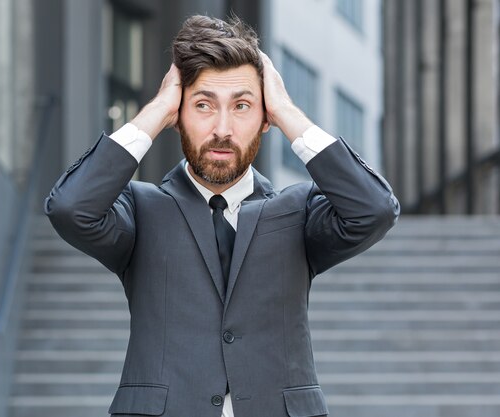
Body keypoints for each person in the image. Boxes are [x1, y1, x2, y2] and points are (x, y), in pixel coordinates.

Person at [45, 14, 399, 417]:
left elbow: (373, 209)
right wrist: (157, 109)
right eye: (203, 105)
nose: (223, 128)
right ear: (178, 113)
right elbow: (71, 207)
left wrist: (286, 111)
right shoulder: (140, 210)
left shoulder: (298, 211)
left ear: (265, 119)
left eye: (243, 106)